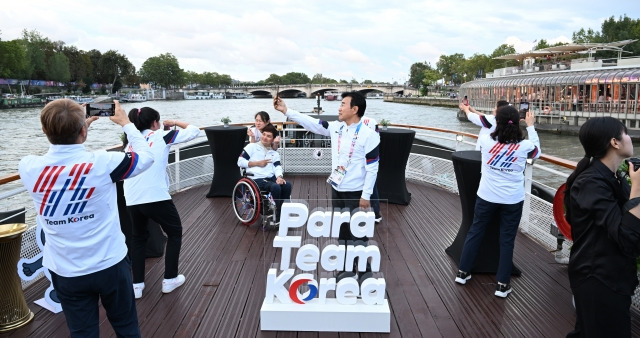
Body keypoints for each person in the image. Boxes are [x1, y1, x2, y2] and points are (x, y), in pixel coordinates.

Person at [19, 99, 153, 337]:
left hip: (66, 271)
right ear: (83, 131)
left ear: (43, 130)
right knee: (127, 328)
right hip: (110, 263)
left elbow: (61, 152)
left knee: (82, 333)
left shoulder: (28, 167)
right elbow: (146, 157)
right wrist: (126, 124)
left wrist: (76, 126)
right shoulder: (104, 163)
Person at [274, 91, 380, 273]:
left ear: (354, 109)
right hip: (337, 188)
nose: (339, 108)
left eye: (343, 104)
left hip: (356, 193)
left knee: (359, 234)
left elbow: (372, 168)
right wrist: (286, 111)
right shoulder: (337, 128)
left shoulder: (369, 135)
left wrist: (366, 195)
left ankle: (364, 274)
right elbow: (313, 123)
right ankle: (346, 270)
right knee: (342, 232)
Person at [563, 117, 640, 337]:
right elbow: (627, 236)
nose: (630, 137)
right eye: (625, 133)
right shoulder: (591, 183)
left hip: (613, 275)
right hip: (598, 278)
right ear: (614, 142)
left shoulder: (614, 177)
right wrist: (637, 188)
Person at [454, 105, 541, 298]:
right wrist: (531, 127)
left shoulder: (486, 140)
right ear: (518, 122)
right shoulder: (525, 146)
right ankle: (502, 284)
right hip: (512, 199)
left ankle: (462, 272)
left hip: (486, 196)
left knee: (475, 231)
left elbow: (492, 131)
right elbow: (537, 153)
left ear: (497, 121)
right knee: (507, 239)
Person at [123, 107, 201, 299]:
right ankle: (170, 279)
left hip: (132, 197)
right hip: (155, 195)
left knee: (138, 238)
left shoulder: (130, 143)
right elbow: (194, 130)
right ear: (155, 123)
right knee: (175, 232)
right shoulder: (161, 136)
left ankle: (137, 285)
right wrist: (174, 122)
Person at [237, 123, 292, 225]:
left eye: (269, 136)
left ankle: (282, 211)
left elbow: (277, 167)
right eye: (264, 134)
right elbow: (240, 162)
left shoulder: (274, 153)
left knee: (287, 185)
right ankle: (279, 214)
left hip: (270, 178)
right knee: (275, 187)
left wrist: (279, 177)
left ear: (273, 139)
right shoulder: (251, 147)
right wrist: (257, 163)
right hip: (256, 179)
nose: (265, 138)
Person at [361, 116, 382, 222]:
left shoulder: (353, 121)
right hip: (371, 157)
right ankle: (376, 214)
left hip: (359, 159)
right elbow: (377, 137)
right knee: (372, 186)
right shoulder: (372, 121)